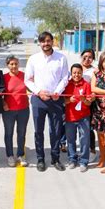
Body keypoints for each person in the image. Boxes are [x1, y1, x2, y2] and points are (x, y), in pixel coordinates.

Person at [25, 31, 68, 172]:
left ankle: (55, 158)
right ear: (40, 43)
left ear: (52, 41)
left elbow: (64, 78)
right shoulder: (33, 59)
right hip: (38, 100)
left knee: (55, 131)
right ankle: (40, 159)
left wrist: (58, 92)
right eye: (43, 41)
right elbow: (28, 80)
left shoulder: (61, 58)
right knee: (38, 131)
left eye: (48, 41)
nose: (46, 43)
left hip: (56, 99)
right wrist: (38, 92)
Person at [63, 63, 94, 172]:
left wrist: (84, 100)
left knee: (84, 139)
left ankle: (84, 161)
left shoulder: (86, 85)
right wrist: (68, 100)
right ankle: (72, 159)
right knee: (70, 139)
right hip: (70, 117)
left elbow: (89, 103)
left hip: (83, 117)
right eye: (74, 73)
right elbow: (63, 101)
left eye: (79, 72)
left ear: (82, 73)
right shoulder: (67, 85)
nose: (77, 75)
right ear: (71, 74)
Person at [2, 55, 29, 167]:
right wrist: (3, 103)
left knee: (21, 133)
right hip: (8, 111)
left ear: (19, 64)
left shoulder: (25, 76)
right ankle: (10, 155)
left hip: (23, 109)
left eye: (16, 63)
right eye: (11, 64)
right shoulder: (4, 77)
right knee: (9, 133)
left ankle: (20, 154)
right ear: (7, 65)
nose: (14, 66)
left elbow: (33, 87)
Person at [80, 49, 97, 157]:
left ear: (93, 59)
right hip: (75, 101)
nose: (87, 59)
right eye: (85, 56)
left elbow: (95, 87)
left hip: (89, 102)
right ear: (81, 56)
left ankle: (92, 150)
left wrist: (92, 96)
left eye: (90, 57)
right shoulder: (76, 68)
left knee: (88, 127)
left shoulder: (94, 71)